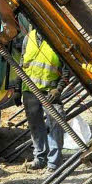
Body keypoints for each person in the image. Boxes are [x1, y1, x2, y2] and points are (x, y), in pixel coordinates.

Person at [20, 28, 66, 171]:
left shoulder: (57, 39)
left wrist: (58, 89)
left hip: (49, 91)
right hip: (29, 90)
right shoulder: (29, 38)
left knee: (56, 124)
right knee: (35, 126)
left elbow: (66, 69)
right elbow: (22, 63)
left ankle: (54, 164)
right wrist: (17, 88)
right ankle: (39, 159)